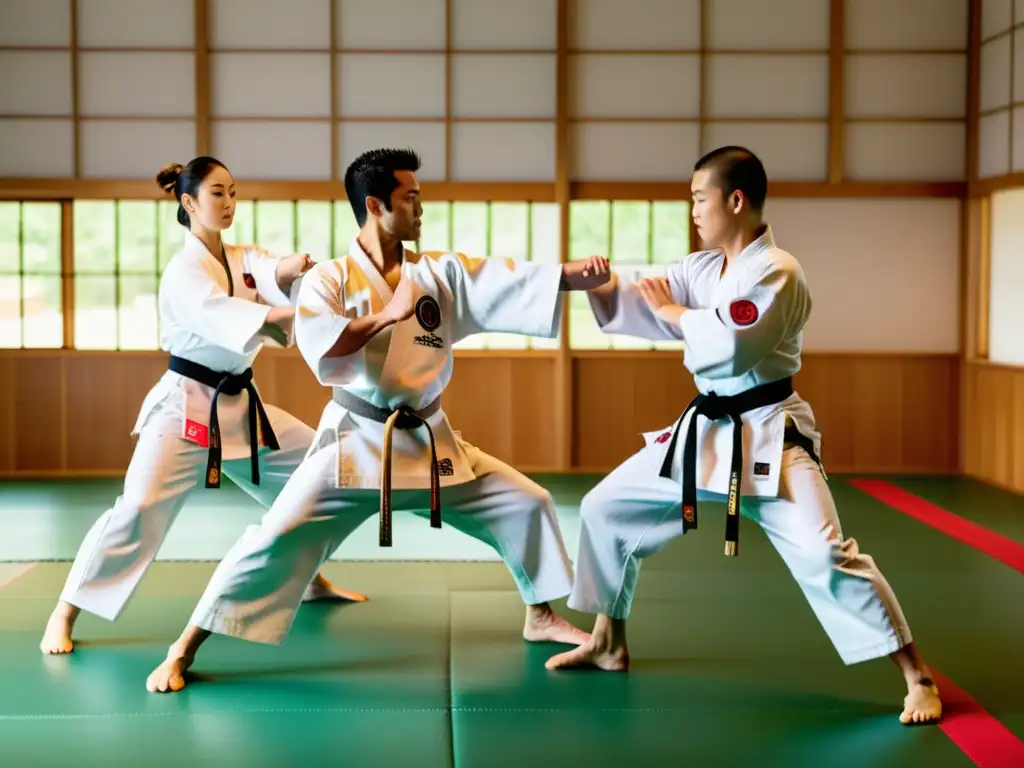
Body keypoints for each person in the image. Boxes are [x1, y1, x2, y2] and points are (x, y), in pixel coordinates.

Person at [144, 147, 608, 693]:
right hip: (357, 444)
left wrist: (573, 277)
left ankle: (540, 613)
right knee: (272, 538)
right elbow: (322, 347)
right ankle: (184, 647)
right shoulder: (330, 281)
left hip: (432, 443)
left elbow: (506, 281)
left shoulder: (438, 271)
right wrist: (386, 315)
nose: (420, 207)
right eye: (410, 198)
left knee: (527, 501)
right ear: (376, 206)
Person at [544, 147, 943, 726]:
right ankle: (608, 641)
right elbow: (647, 296)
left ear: (736, 200)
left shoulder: (778, 269)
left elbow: (732, 344)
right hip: (706, 432)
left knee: (827, 554)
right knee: (606, 507)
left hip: (770, 437)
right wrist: (593, 283)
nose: (694, 212)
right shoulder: (704, 268)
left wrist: (679, 316)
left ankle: (919, 677)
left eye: (699, 199)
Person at [40, 156, 365, 656]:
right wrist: (297, 309)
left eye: (233, 191)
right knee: (138, 510)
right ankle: (64, 612)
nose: (229, 202)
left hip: (239, 404)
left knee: (315, 469)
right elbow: (231, 314)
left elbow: (267, 270)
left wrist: (296, 270)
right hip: (185, 411)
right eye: (217, 193)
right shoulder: (183, 272)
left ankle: (310, 577)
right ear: (190, 202)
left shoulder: (240, 254)